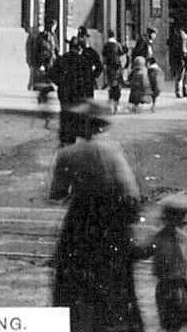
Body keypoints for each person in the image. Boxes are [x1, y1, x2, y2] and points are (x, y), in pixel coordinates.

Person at [49, 99, 144, 332]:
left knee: (75, 282)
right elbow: (131, 192)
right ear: (102, 126)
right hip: (112, 221)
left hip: (81, 220)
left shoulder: (68, 154)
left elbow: (57, 193)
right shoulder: (115, 151)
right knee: (116, 282)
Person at [138, 194, 187, 332]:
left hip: (168, 291)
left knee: (170, 328)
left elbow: (141, 253)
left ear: (165, 218)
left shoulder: (158, 239)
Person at [51, 36, 98, 146]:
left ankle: (67, 141)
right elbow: (89, 79)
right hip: (80, 95)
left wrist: (61, 84)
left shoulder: (62, 59)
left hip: (65, 94)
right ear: (79, 48)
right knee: (79, 117)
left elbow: (52, 74)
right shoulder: (84, 61)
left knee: (66, 117)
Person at [32, 19, 59, 105]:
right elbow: (40, 49)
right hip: (45, 60)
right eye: (53, 26)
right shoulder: (42, 36)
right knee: (45, 79)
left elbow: (56, 47)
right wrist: (40, 62)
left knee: (50, 79)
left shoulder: (53, 35)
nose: (54, 28)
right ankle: (42, 97)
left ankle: (45, 97)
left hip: (52, 60)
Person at [102, 28, 126, 114]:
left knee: (111, 85)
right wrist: (123, 67)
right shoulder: (117, 45)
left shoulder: (106, 45)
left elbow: (104, 57)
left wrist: (104, 66)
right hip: (117, 69)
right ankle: (116, 104)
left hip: (109, 68)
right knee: (117, 85)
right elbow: (122, 56)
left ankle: (110, 100)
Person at [168, 22, 187, 98]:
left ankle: (185, 90)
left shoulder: (185, 34)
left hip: (185, 57)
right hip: (181, 57)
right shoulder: (179, 35)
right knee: (180, 75)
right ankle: (179, 91)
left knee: (186, 75)